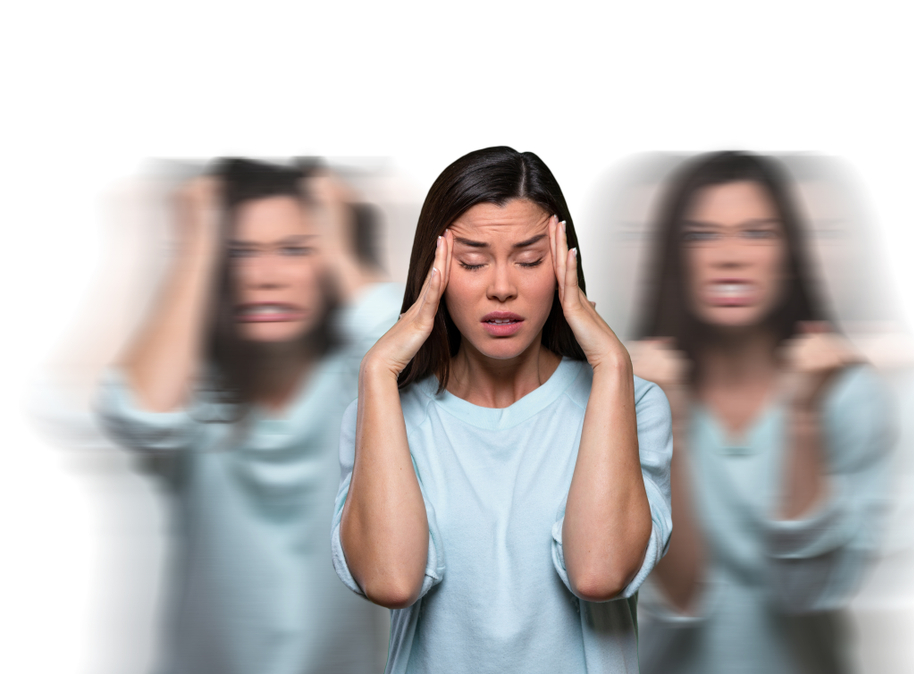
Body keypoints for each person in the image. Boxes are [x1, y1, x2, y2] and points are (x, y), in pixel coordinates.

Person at [330, 146, 674, 674]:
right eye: (471, 262)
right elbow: (392, 582)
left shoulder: (635, 404)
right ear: (435, 271)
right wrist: (377, 371)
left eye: (530, 260)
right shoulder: (381, 414)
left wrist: (611, 363)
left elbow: (599, 573)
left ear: (565, 265)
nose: (502, 288)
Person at [96, 158, 399, 674]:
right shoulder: (197, 397)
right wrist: (197, 245)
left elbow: (414, 358)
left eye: (295, 250)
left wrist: (339, 246)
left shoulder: (359, 389)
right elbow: (138, 415)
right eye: (239, 253)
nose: (265, 277)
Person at [629, 151, 893, 674]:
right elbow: (680, 601)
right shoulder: (632, 396)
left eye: (757, 233)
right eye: (701, 235)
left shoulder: (850, 394)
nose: (731, 257)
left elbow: (806, 592)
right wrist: (670, 419)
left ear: (790, 251)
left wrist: (802, 416)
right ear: (673, 256)